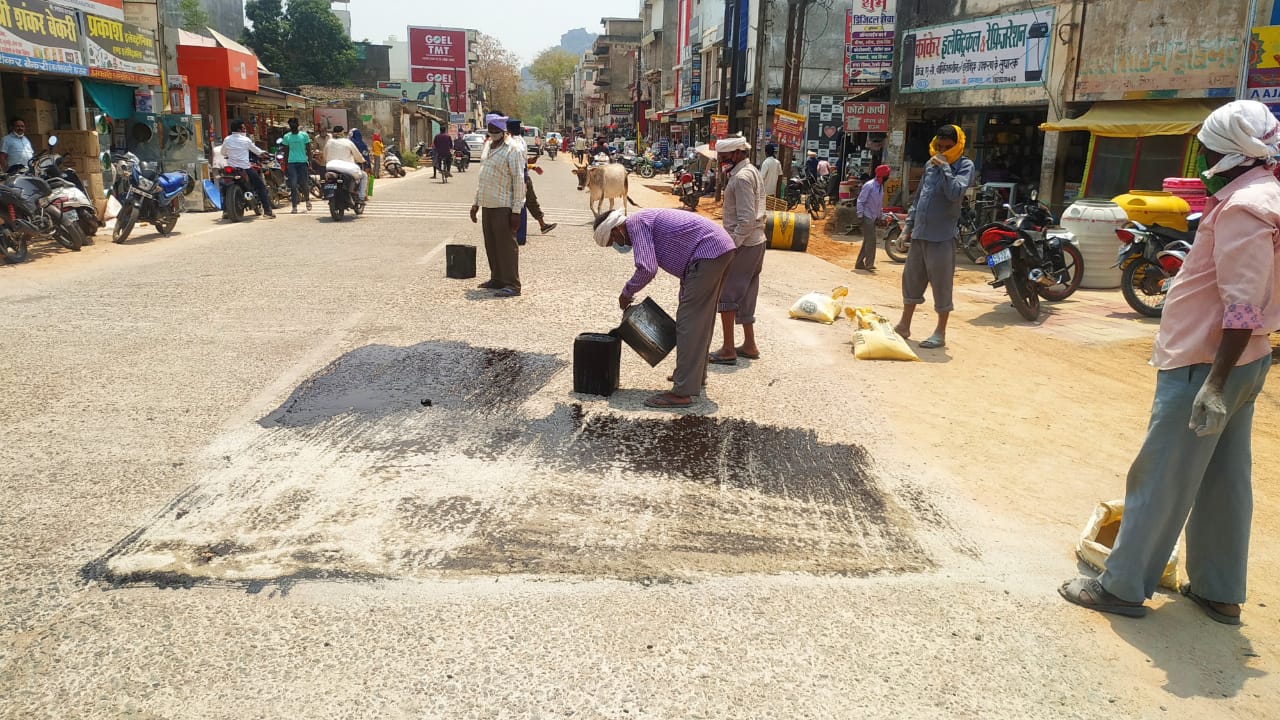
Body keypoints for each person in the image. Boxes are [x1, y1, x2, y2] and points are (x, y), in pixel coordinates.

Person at [1059, 100, 1280, 625]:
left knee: (1162, 475)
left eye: (1204, 146)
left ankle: (1122, 586)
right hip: (1245, 359)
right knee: (1224, 477)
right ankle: (1218, 589)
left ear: (1227, 152)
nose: (1200, 155)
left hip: (1207, 364)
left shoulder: (1244, 207)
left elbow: (1242, 302)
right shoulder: (1264, 195)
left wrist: (1215, 383)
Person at [594, 208, 737, 409]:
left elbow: (647, 267)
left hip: (708, 252)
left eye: (614, 241)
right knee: (700, 319)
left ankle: (682, 392)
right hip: (718, 249)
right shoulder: (642, 220)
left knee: (689, 323)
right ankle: (693, 376)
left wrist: (626, 294)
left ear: (617, 229)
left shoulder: (635, 224)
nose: (619, 245)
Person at [894, 125, 974, 349]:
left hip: (942, 237)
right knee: (911, 281)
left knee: (941, 285)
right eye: (939, 146)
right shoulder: (930, 165)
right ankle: (904, 325)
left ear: (957, 145)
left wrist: (946, 168)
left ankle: (940, 332)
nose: (942, 150)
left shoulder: (964, 166)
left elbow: (955, 193)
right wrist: (906, 228)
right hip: (920, 234)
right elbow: (919, 199)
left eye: (947, 147)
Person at [708, 136, 767, 366]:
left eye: (723, 158)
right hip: (757, 242)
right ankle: (749, 344)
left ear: (736, 154)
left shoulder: (741, 178)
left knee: (727, 295)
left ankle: (728, 348)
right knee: (748, 293)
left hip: (745, 243)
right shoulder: (752, 171)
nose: (721, 162)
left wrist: (731, 245)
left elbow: (745, 219)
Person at [469, 113, 526, 298]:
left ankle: (512, 283)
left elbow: (518, 181)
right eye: (490, 129)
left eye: (496, 129)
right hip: (487, 202)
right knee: (491, 244)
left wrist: (516, 211)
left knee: (506, 246)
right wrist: (476, 203)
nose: (493, 132)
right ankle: (497, 278)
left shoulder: (513, 150)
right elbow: (482, 177)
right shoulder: (487, 146)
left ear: (503, 130)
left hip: (504, 205)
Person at [505, 118, 557, 236]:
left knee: (522, 202)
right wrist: (532, 165)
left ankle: (541, 225)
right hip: (522, 177)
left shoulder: (511, 142)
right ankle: (540, 225)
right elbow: (519, 162)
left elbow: (518, 161)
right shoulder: (520, 141)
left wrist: (531, 164)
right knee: (529, 201)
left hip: (517, 176)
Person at [222, 119, 276, 219]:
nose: (245, 129)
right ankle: (268, 212)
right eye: (243, 128)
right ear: (239, 129)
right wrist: (264, 154)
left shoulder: (227, 139)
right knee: (261, 187)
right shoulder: (246, 140)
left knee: (224, 186)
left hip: (231, 168)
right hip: (245, 168)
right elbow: (257, 151)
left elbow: (223, 153)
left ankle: (225, 211)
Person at [856, 165, 891, 271]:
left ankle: (859, 263)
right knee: (871, 241)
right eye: (887, 175)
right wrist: (860, 215)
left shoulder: (880, 186)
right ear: (883, 175)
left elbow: (879, 204)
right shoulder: (869, 186)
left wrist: (880, 216)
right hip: (867, 216)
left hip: (873, 216)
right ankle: (869, 264)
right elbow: (860, 201)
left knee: (868, 240)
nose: (888, 176)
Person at [323, 126, 367, 202]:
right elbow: (357, 155)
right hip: (347, 168)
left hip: (331, 166)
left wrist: (328, 161)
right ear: (343, 133)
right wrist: (363, 160)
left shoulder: (329, 142)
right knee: (364, 175)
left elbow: (324, 155)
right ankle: (361, 197)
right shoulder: (348, 142)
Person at [280, 118, 312, 214]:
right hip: (291, 163)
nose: (293, 125)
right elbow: (285, 152)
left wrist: (309, 163)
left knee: (304, 183)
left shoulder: (304, 135)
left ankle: (307, 200)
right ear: (289, 126)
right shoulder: (287, 137)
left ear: (297, 125)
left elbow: (309, 150)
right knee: (293, 185)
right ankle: (294, 206)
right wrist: (285, 166)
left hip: (302, 162)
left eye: (295, 123)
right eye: (291, 124)